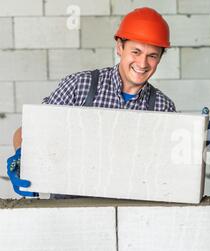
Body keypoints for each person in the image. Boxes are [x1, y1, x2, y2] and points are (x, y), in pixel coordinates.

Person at [7, 7, 177, 198]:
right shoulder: (81, 86)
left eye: (152, 55)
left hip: (133, 211)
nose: (142, 63)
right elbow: (29, 131)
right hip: (70, 209)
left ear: (160, 58)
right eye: (136, 52)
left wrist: (196, 142)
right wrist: (22, 156)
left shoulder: (163, 107)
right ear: (120, 47)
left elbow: (168, 169)